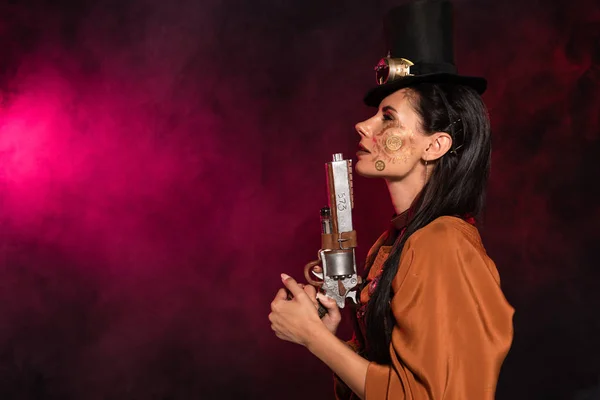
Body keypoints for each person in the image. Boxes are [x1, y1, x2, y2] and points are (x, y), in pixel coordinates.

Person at [268, 0, 514, 399]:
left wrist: (315, 338)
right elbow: (390, 377)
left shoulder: (442, 244)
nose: (362, 125)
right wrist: (331, 337)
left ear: (434, 145)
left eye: (388, 118)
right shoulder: (394, 244)